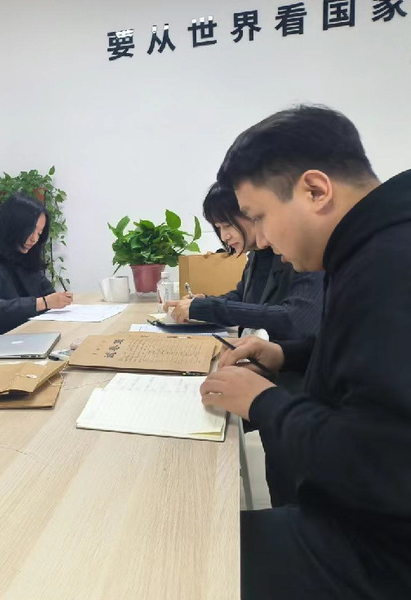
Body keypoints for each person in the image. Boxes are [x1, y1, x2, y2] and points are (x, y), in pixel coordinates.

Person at [200, 105, 411, 599]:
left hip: (380, 554)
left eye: (258, 217)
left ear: (315, 190)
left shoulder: (390, 265)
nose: (261, 238)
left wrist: (263, 401)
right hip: (361, 522)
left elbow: (381, 464)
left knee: (177, 552)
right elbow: (367, 360)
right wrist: (286, 355)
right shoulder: (371, 242)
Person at [165, 183, 323, 341]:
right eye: (219, 228)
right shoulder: (256, 255)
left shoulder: (303, 254)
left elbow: (293, 318)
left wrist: (209, 308)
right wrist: (204, 303)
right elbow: (243, 298)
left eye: (228, 225)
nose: (224, 237)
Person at [0, 193, 72, 356]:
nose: (34, 239)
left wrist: (59, 300)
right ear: (12, 226)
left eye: (39, 233)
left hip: (25, 341)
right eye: (31, 231)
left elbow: (47, 294)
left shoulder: (26, 257)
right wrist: (43, 303)